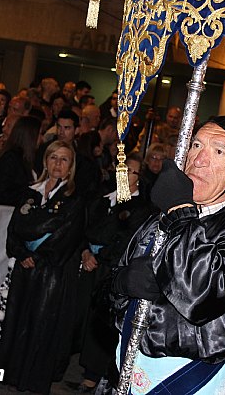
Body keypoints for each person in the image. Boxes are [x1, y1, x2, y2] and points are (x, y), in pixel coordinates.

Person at [110, 117, 225, 394]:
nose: (198, 159)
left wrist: (181, 211)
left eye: (218, 151)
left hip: (186, 375)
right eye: (195, 145)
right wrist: (121, 284)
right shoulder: (161, 214)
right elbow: (106, 289)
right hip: (129, 363)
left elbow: (200, 295)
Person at [0, 140, 87, 393]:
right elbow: (14, 229)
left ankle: (31, 379)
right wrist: (21, 253)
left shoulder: (74, 199)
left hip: (51, 273)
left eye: (64, 159)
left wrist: (37, 255)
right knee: (16, 321)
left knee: (40, 325)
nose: (57, 164)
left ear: (71, 165)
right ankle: (9, 372)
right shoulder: (30, 191)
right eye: (53, 157)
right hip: (24, 269)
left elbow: (66, 236)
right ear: (45, 160)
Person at [67, 153, 156, 392]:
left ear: (140, 177)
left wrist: (99, 257)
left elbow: (127, 242)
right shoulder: (103, 199)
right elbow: (83, 229)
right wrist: (85, 252)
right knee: (79, 316)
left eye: (132, 171)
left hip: (109, 268)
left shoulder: (142, 208)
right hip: (88, 264)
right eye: (123, 169)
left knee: (101, 321)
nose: (126, 175)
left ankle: (94, 375)